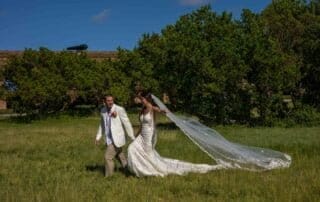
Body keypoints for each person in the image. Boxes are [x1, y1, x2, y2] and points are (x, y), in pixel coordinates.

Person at [127, 91, 222, 177]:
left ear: (146, 99)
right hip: (142, 134)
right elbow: (141, 125)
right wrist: (136, 135)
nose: (140, 100)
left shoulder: (150, 107)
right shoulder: (143, 109)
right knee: (132, 148)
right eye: (140, 99)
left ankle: (149, 170)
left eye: (142, 99)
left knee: (147, 153)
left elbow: (156, 109)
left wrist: (161, 111)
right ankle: (140, 169)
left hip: (148, 134)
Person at [95, 95, 135, 177]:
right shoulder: (103, 110)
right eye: (108, 100)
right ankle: (129, 170)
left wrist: (131, 136)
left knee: (108, 157)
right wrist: (98, 137)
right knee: (120, 156)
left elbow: (126, 123)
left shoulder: (119, 109)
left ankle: (109, 176)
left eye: (111, 100)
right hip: (109, 139)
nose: (110, 102)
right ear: (104, 102)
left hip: (117, 138)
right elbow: (102, 125)